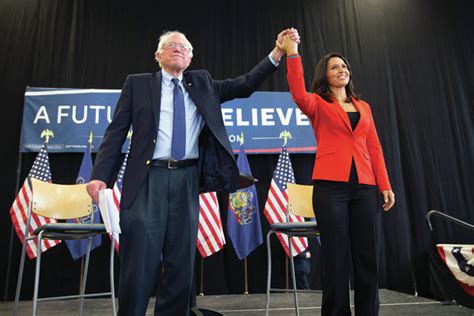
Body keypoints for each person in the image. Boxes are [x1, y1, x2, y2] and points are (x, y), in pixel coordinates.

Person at [85, 29, 299, 316]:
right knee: (140, 261)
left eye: (184, 46)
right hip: (148, 180)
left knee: (180, 261)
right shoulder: (137, 84)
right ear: (158, 55)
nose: (178, 49)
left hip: (187, 179)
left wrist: (277, 53)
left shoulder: (203, 83)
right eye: (170, 45)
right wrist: (100, 175)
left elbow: (245, 85)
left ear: (190, 57)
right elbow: (116, 132)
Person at [277, 31, 395, 315]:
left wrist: (384, 184)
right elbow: (297, 91)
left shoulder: (363, 106)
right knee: (336, 258)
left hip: (365, 188)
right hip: (331, 189)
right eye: (334, 67)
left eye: (344, 66)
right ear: (325, 75)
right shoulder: (317, 103)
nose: (341, 69)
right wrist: (292, 53)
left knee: (367, 256)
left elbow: (375, 147)